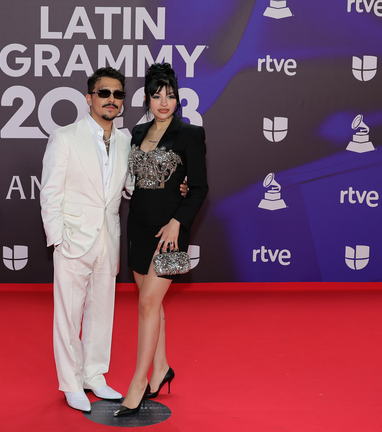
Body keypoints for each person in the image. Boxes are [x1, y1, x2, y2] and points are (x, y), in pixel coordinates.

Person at [114, 63, 209, 417]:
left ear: (178, 97)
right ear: (146, 99)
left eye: (170, 95)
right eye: (157, 96)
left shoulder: (190, 134)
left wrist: (177, 223)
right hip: (138, 227)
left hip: (171, 234)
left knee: (147, 305)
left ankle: (138, 384)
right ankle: (162, 368)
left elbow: (198, 189)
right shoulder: (137, 132)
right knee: (150, 303)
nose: (164, 102)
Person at [39, 67, 130, 412]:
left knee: (101, 312)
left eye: (117, 94)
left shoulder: (125, 142)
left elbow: (130, 188)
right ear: (89, 98)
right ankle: (71, 383)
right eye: (104, 93)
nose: (111, 100)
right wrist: (57, 239)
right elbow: (49, 193)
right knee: (68, 314)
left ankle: (94, 376)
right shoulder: (65, 137)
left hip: (108, 238)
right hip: (73, 240)